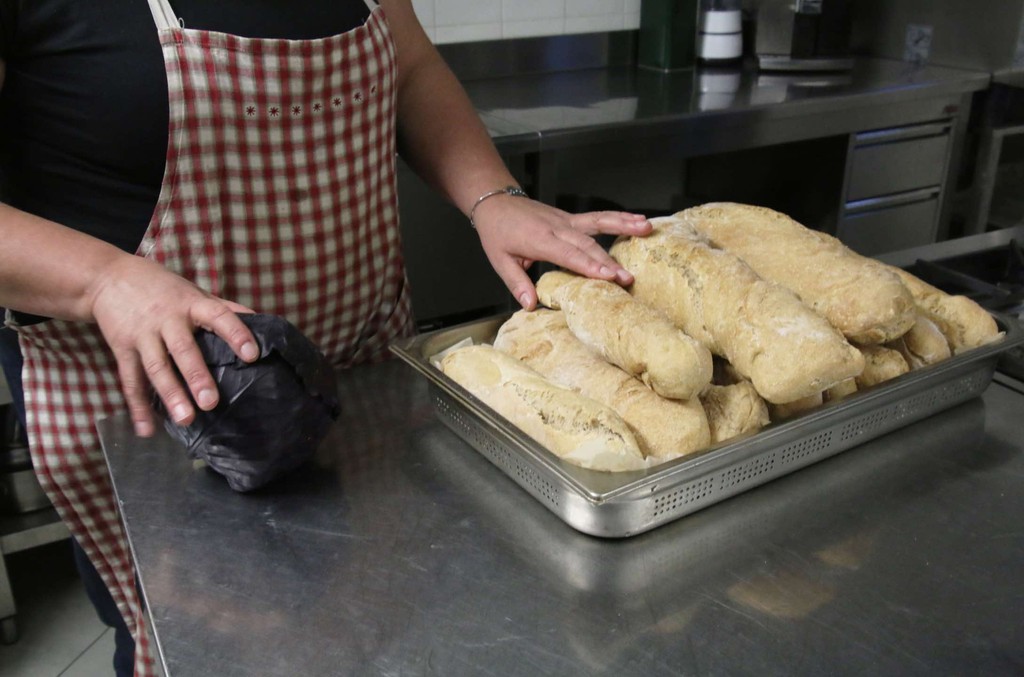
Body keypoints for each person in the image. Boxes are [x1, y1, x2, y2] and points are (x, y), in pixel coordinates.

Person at [0, 1, 651, 674]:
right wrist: (103, 282)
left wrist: (491, 196)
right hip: (162, 422)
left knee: (368, 623)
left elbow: (412, 69)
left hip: (359, 390)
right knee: (202, 651)